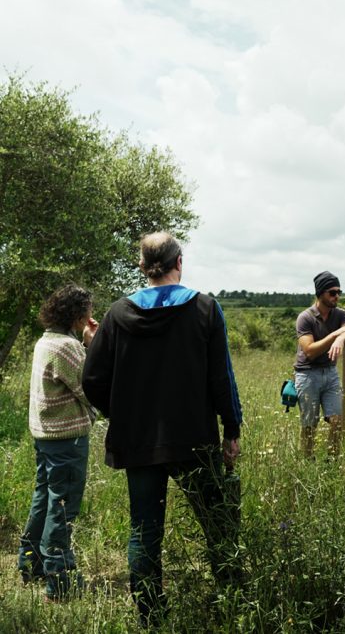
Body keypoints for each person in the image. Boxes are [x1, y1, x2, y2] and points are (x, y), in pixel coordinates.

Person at [82, 232, 243, 626]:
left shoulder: (117, 314)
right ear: (179, 262)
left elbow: (92, 379)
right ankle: (233, 604)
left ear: (142, 267)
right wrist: (231, 428)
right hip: (195, 439)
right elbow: (221, 377)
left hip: (137, 441)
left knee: (144, 529)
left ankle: (151, 617)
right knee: (218, 524)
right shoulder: (205, 308)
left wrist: (121, 413)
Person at [18, 285, 98, 601]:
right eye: (89, 312)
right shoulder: (67, 347)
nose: (91, 316)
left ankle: (30, 565)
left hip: (46, 436)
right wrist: (92, 346)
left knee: (44, 500)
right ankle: (59, 581)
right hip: (66, 440)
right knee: (62, 509)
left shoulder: (46, 340)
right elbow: (90, 388)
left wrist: (85, 343)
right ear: (78, 316)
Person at [293, 271, 345, 458]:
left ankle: (333, 461)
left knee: (338, 421)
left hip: (330, 373)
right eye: (332, 292)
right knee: (309, 425)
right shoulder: (305, 318)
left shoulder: (340, 314)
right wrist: (335, 335)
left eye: (339, 292)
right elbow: (310, 350)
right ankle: (308, 461)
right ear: (320, 293)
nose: (337, 296)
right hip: (307, 374)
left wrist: (341, 339)